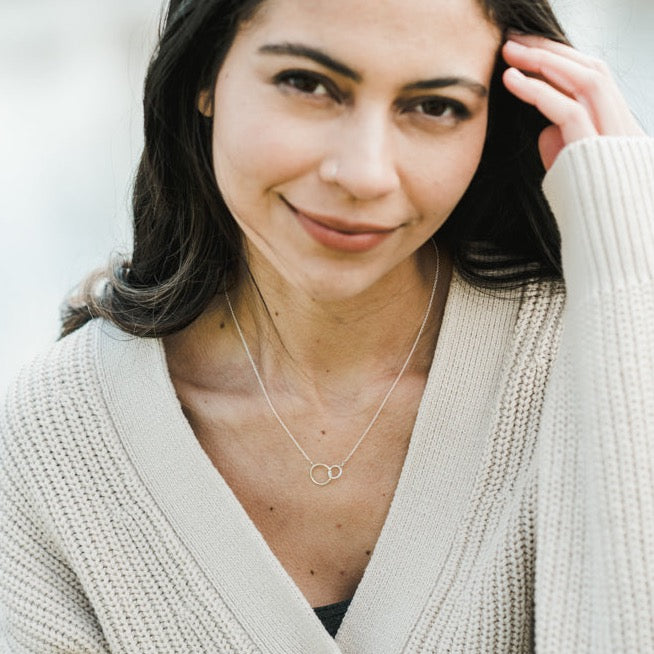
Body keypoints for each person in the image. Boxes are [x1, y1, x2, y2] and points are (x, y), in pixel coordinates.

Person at [0, 0, 652, 651]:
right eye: (307, 84)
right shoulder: (54, 439)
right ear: (204, 76)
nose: (365, 173)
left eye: (434, 105)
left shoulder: (597, 351)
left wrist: (629, 266)